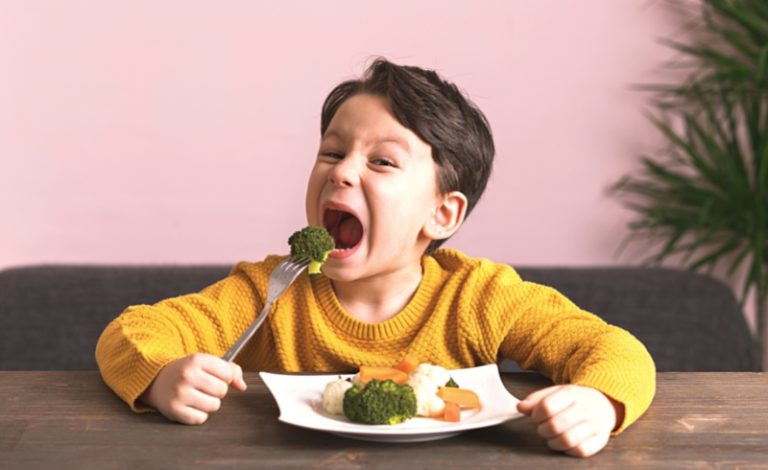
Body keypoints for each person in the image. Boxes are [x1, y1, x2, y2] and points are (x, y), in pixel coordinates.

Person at [96, 58, 655, 458]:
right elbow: (134, 331)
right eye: (332, 152)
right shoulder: (272, 291)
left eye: (382, 162)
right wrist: (163, 376)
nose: (341, 171)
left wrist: (599, 403)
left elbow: (613, 349)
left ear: (442, 214)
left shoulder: (482, 299)